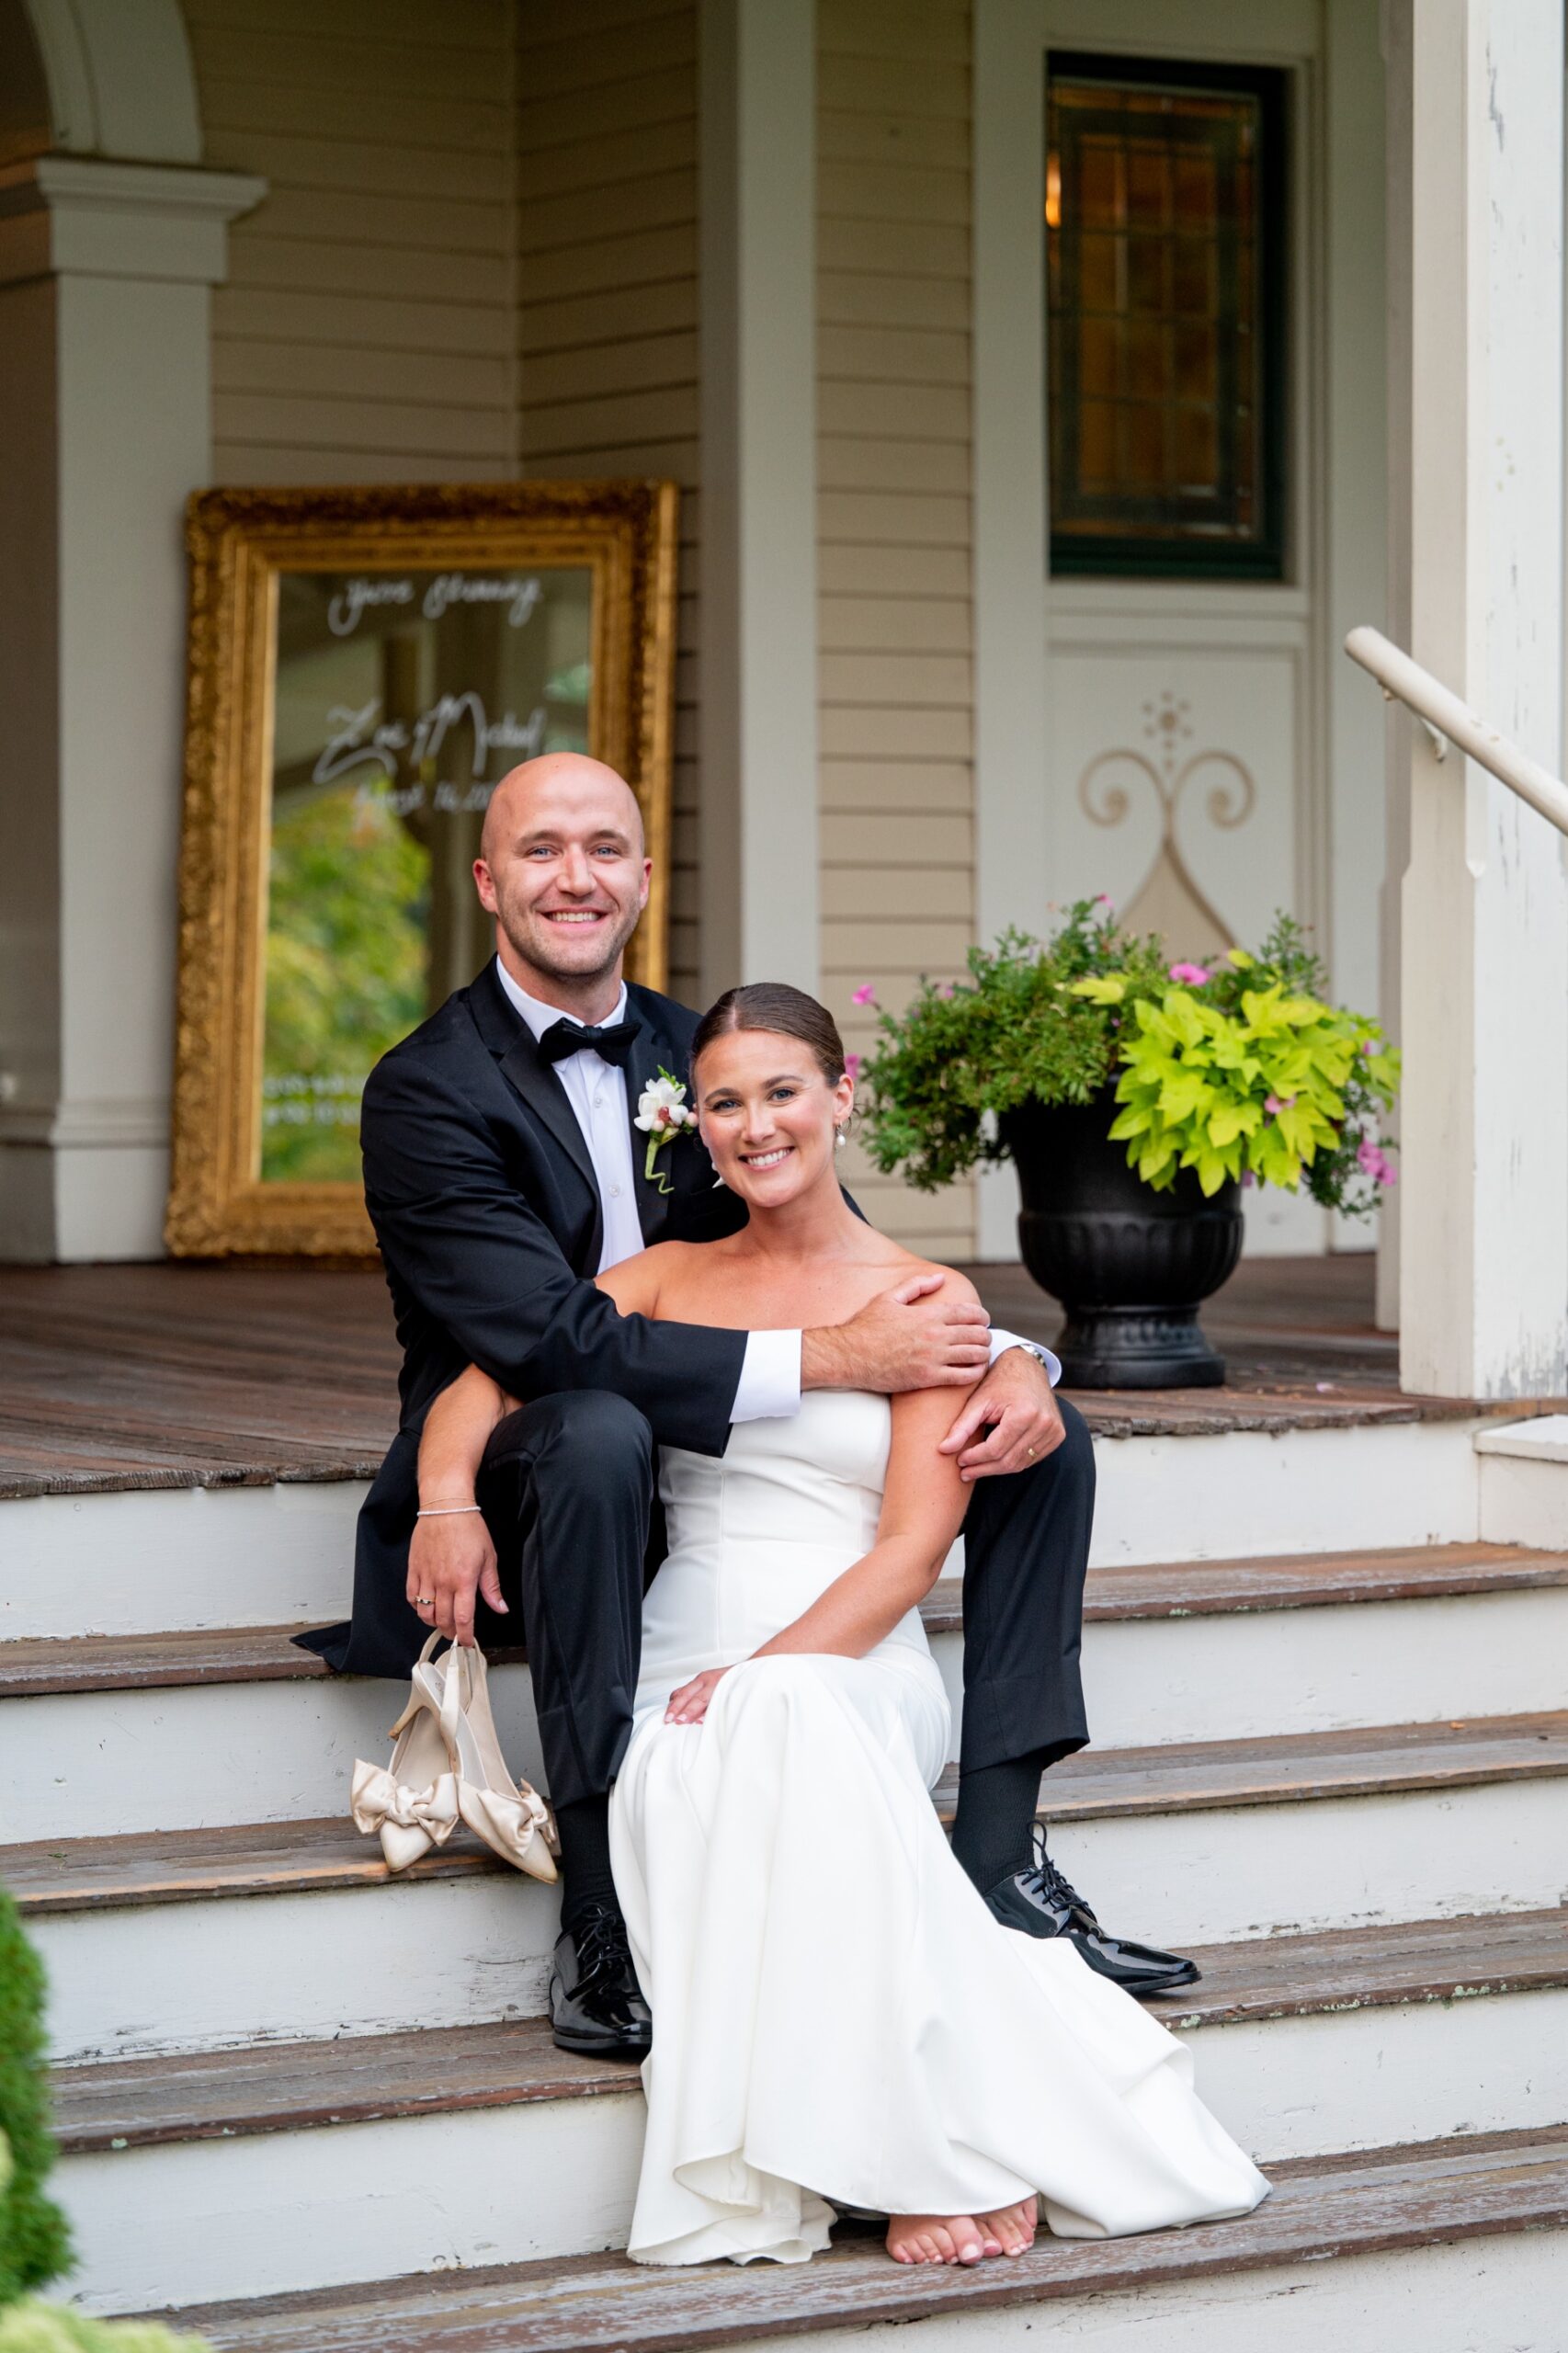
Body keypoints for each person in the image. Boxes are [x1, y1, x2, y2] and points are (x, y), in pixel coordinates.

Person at [298, 752, 1197, 2061]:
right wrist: (826, 1363)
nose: (575, 877)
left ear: (644, 878)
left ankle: (1002, 1857)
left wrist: (1012, 1361)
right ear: (489, 882)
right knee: (600, 1429)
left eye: (604, 847)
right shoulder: (425, 1087)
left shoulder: (701, 1050)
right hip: (530, 1444)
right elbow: (543, 1339)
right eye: (541, 850)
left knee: (1038, 1448)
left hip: (716, 1423)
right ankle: (598, 1914)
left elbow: (846, 1262)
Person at [419, 983, 1268, 2268]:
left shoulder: (920, 1298)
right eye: (723, 1102)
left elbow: (912, 1550)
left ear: (839, 1096)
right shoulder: (663, 1276)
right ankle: (911, 2155)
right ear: (694, 1124)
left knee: (791, 1716)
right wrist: (445, 1504)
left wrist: (761, 1672)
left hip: (848, 1650)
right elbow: (485, 1377)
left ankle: (914, 2150)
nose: (755, 1125)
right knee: (729, 1752)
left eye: (780, 1093)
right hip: (677, 1656)